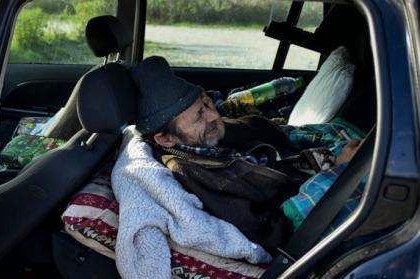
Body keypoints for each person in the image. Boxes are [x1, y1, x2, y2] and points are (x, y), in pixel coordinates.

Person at [130, 56, 364, 251]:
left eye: (207, 105)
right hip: (318, 211)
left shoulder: (206, 137)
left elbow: (276, 134)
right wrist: (341, 171)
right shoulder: (200, 175)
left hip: (309, 167)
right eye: (198, 117)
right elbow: (276, 231)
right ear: (165, 139)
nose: (213, 116)